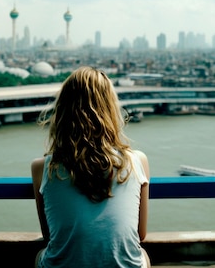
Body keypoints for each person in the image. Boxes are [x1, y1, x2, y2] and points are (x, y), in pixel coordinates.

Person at [31, 66, 151, 268]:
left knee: (40, 256)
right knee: (143, 256)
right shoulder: (137, 161)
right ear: (112, 110)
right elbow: (140, 234)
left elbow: (49, 235)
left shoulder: (43, 167)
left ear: (62, 111)